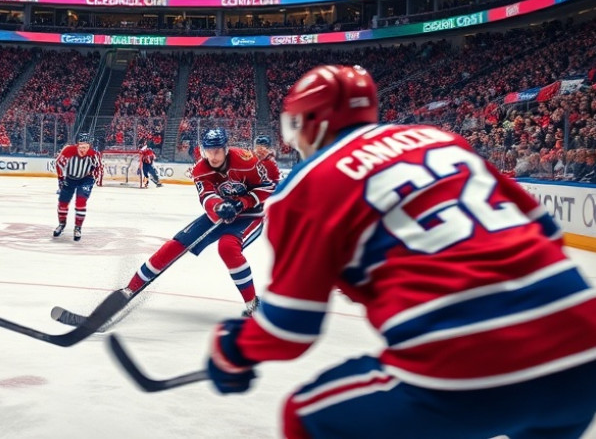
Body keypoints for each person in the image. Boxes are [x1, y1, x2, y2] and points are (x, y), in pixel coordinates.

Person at [206, 65, 596, 439]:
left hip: (467, 356)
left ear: (311, 123)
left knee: (306, 417)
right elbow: (542, 227)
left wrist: (232, 349)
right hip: (582, 344)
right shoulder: (440, 140)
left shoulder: (307, 184)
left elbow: (289, 330)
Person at [123, 127, 276, 315]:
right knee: (177, 243)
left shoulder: (246, 160)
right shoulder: (200, 169)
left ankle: (253, 304)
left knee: (227, 247)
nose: (213, 155)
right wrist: (219, 207)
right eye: (208, 150)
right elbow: (206, 196)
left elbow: (268, 187)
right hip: (219, 213)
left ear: (226, 149)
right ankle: (129, 289)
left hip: (250, 214)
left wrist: (243, 202)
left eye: (217, 150)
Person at [54, 132, 101, 241]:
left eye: (86, 147)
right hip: (70, 178)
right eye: (81, 147)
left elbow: (98, 167)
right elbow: (59, 164)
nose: (83, 150)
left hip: (86, 179)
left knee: (81, 202)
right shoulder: (69, 150)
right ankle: (61, 224)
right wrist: (61, 179)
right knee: (63, 202)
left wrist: (94, 178)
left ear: (89, 146)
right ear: (77, 145)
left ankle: (78, 228)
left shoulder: (93, 154)